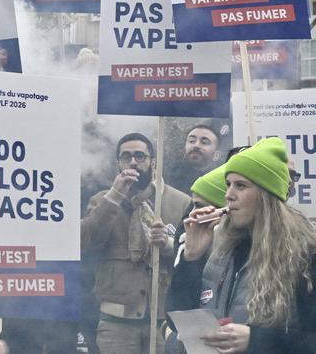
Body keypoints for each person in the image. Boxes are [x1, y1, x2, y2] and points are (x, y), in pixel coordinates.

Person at [167, 137, 316, 353]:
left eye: (241, 186)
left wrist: (255, 339)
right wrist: (191, 258)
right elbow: (177, 319)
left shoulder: (304, 254)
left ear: (266, 196)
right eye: (228, 185)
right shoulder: (220, 248)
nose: (229, 195)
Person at [81, 132, 190, 354]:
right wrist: (113, 197)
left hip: (163, 321)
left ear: (152, 162)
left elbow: (194, 255)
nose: (133, 162)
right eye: (126, 157)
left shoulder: (179, 201)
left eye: (140, 156)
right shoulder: (102, 200)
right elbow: (86, 242)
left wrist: (168, 244)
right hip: (116, 323)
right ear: (118, 163)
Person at [168, 124, 222, 195]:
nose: (196, 145)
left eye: (204, 142)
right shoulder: (169, 179)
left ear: (216, 155)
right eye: (192, 141)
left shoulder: (222, 184)